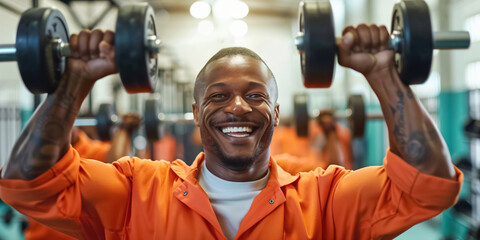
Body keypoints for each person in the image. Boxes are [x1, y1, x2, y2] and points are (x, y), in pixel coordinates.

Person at [0, 25, 462, 239]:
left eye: (255, 96)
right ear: (198, 110)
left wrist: (384, 73)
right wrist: (74, 81)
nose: (238, 106)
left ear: (277, 112)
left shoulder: (325, 200)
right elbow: (30, 186)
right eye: (219, 96)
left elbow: (427, 188)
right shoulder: (136, 191)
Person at [24, 113, 140, 240]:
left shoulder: (92, 151)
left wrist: (123, 129)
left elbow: (118, 167)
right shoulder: (38, 156)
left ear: (74, 123)